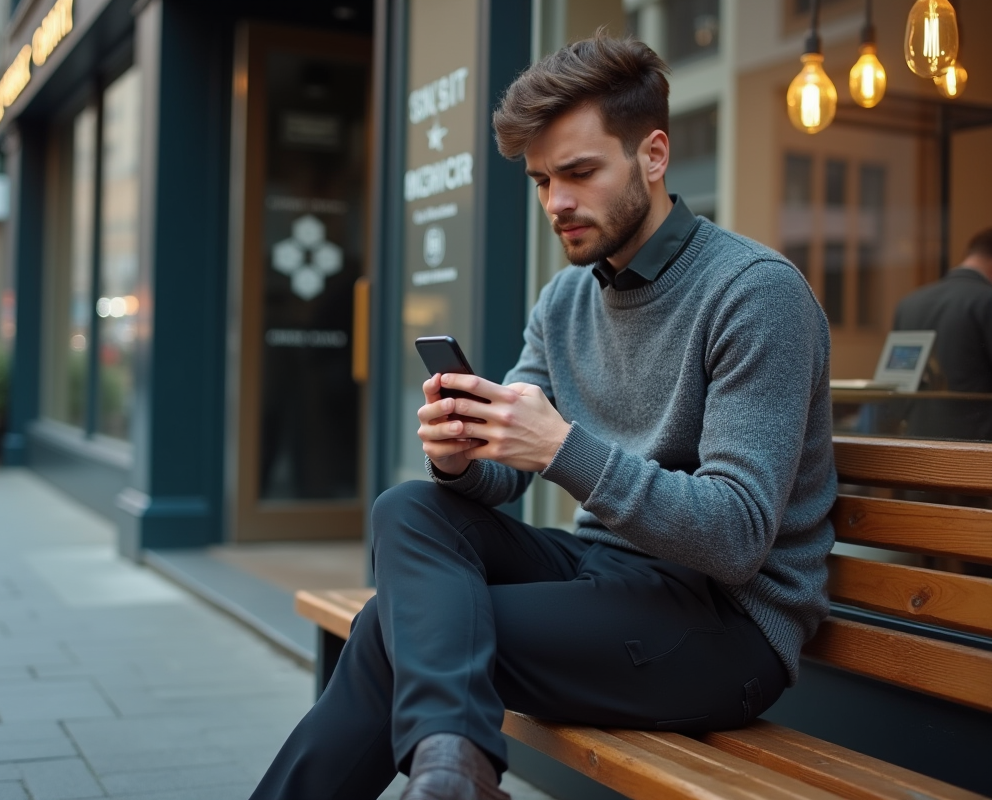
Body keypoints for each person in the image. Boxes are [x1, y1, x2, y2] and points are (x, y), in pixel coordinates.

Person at [249, 34, 835, 800]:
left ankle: (452, 771)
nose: (557, 202)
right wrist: (462, 456)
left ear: (653, 156)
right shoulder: (565, 299)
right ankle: (452, 768)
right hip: (605, 576)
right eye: (540, 180)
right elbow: (504, 477)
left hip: (726, 628)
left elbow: (736, 536)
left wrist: (563, 447)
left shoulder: (755, 292)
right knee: (412, 509)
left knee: (396, 631)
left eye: (580, 172)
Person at [892, 228, 992, 441]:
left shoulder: (910, 302)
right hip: (977, 445)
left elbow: (896, 379)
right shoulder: (986, 300)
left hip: (915, 437)